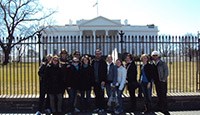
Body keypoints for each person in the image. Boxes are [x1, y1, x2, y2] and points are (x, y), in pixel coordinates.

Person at [151, 51, 170, 115]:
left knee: (163, 95)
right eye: (153, 55)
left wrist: (163, 79)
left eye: (156, 55)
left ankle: (165, 109)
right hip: (156, 81)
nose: (155, 57)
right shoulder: (153, 63)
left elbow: (166, 71)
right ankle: (160, 107)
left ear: (158, 56)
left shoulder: (162, 63)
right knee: (158, 94)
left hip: (162, 81)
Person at [91, 48, 107, 113]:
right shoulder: (93, 61)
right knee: (96, 94)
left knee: (101, 95)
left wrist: (103, 80)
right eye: (97, 54)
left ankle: (102, 107)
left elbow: (105, 72)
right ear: (95, 54)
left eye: (99, 54)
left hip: (101, 81)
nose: (98, 55)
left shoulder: (103, 62)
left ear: (101, 54)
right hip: (95, 81)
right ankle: (97, 107)